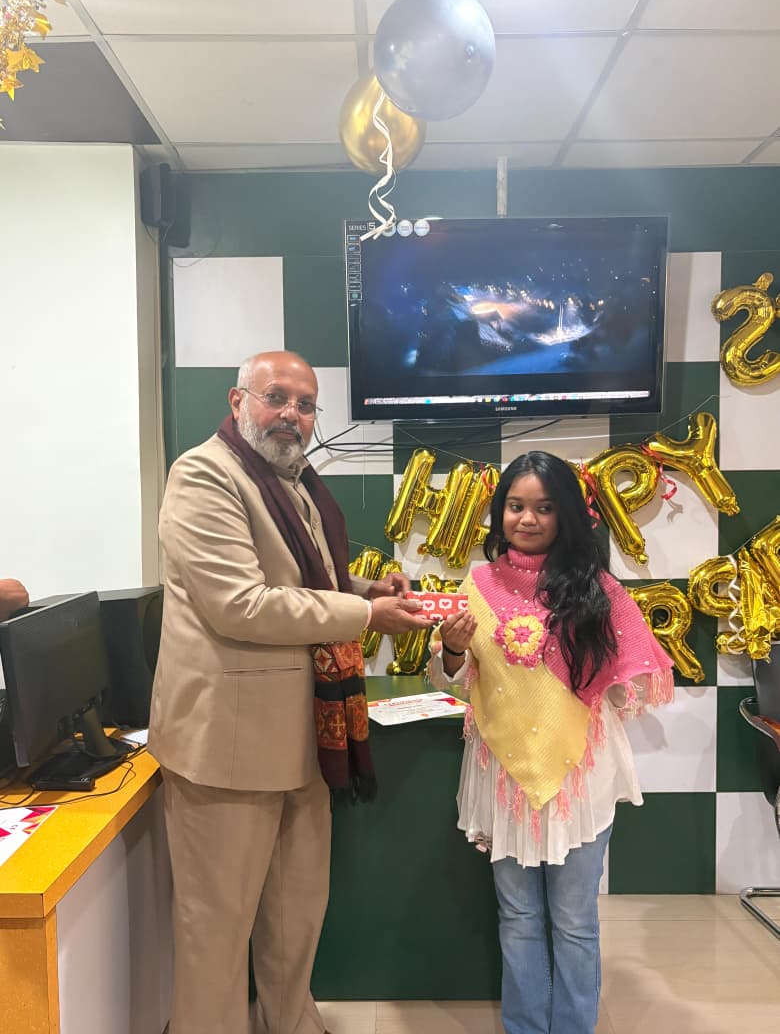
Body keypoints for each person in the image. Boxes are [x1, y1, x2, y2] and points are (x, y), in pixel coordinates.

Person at [148, 350, 430, 1034]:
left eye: (305, 405)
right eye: (276, 397)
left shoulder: (293, 480)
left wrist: (367, 588)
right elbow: (241, 604)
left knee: (296, 916)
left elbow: (305, 580)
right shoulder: (203, 475)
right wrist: (365, 614)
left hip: (305, 736)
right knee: (216, 928)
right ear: (237, 401)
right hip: (227, 745)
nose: (292, 415)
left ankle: (294, 1024)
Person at [427, 451, 674, 1034]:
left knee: (574, 920)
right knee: (517, 917)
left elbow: (627, 683)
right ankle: (526, 1027)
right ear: (499, 513)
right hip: (504, 774)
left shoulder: (598, 588)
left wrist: (592, 679)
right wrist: (453, 650)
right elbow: (452, 682)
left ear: (565, 513)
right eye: (515, 506)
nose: (528, 519)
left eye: (543, 508)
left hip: (579, 776)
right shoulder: (479, 584)